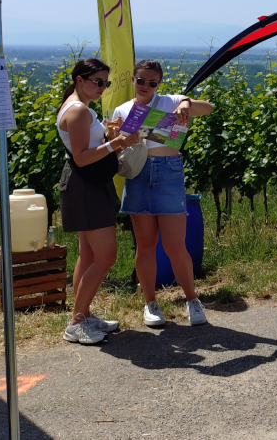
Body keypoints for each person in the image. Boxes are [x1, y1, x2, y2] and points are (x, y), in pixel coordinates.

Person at [110, 60, 215, 328]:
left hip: (168, 171)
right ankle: (150, 303)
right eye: (141, 81)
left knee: (175, 245)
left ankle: (192, 300)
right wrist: (117, 136)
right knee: (145, 245)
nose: (145, 86)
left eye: (152, 82)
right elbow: (114, 145)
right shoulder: (122, 109)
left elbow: (209, 108)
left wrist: (186, 103)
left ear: (159, 84)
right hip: (139, 173)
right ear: (133, 80)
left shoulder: (171, 101)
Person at [56, 58, 140, 344]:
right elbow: (82, 157)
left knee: (89, 255)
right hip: (86, 186)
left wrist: (109, 137)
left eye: (106, 82)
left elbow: (86, 148)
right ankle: (76, 323)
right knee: (106, 256)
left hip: (85, 183)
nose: (103, 87)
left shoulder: (77, 106)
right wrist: (116, 143)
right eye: (98, 82)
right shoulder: (78, 110)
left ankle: (84, 315)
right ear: (79, 80)